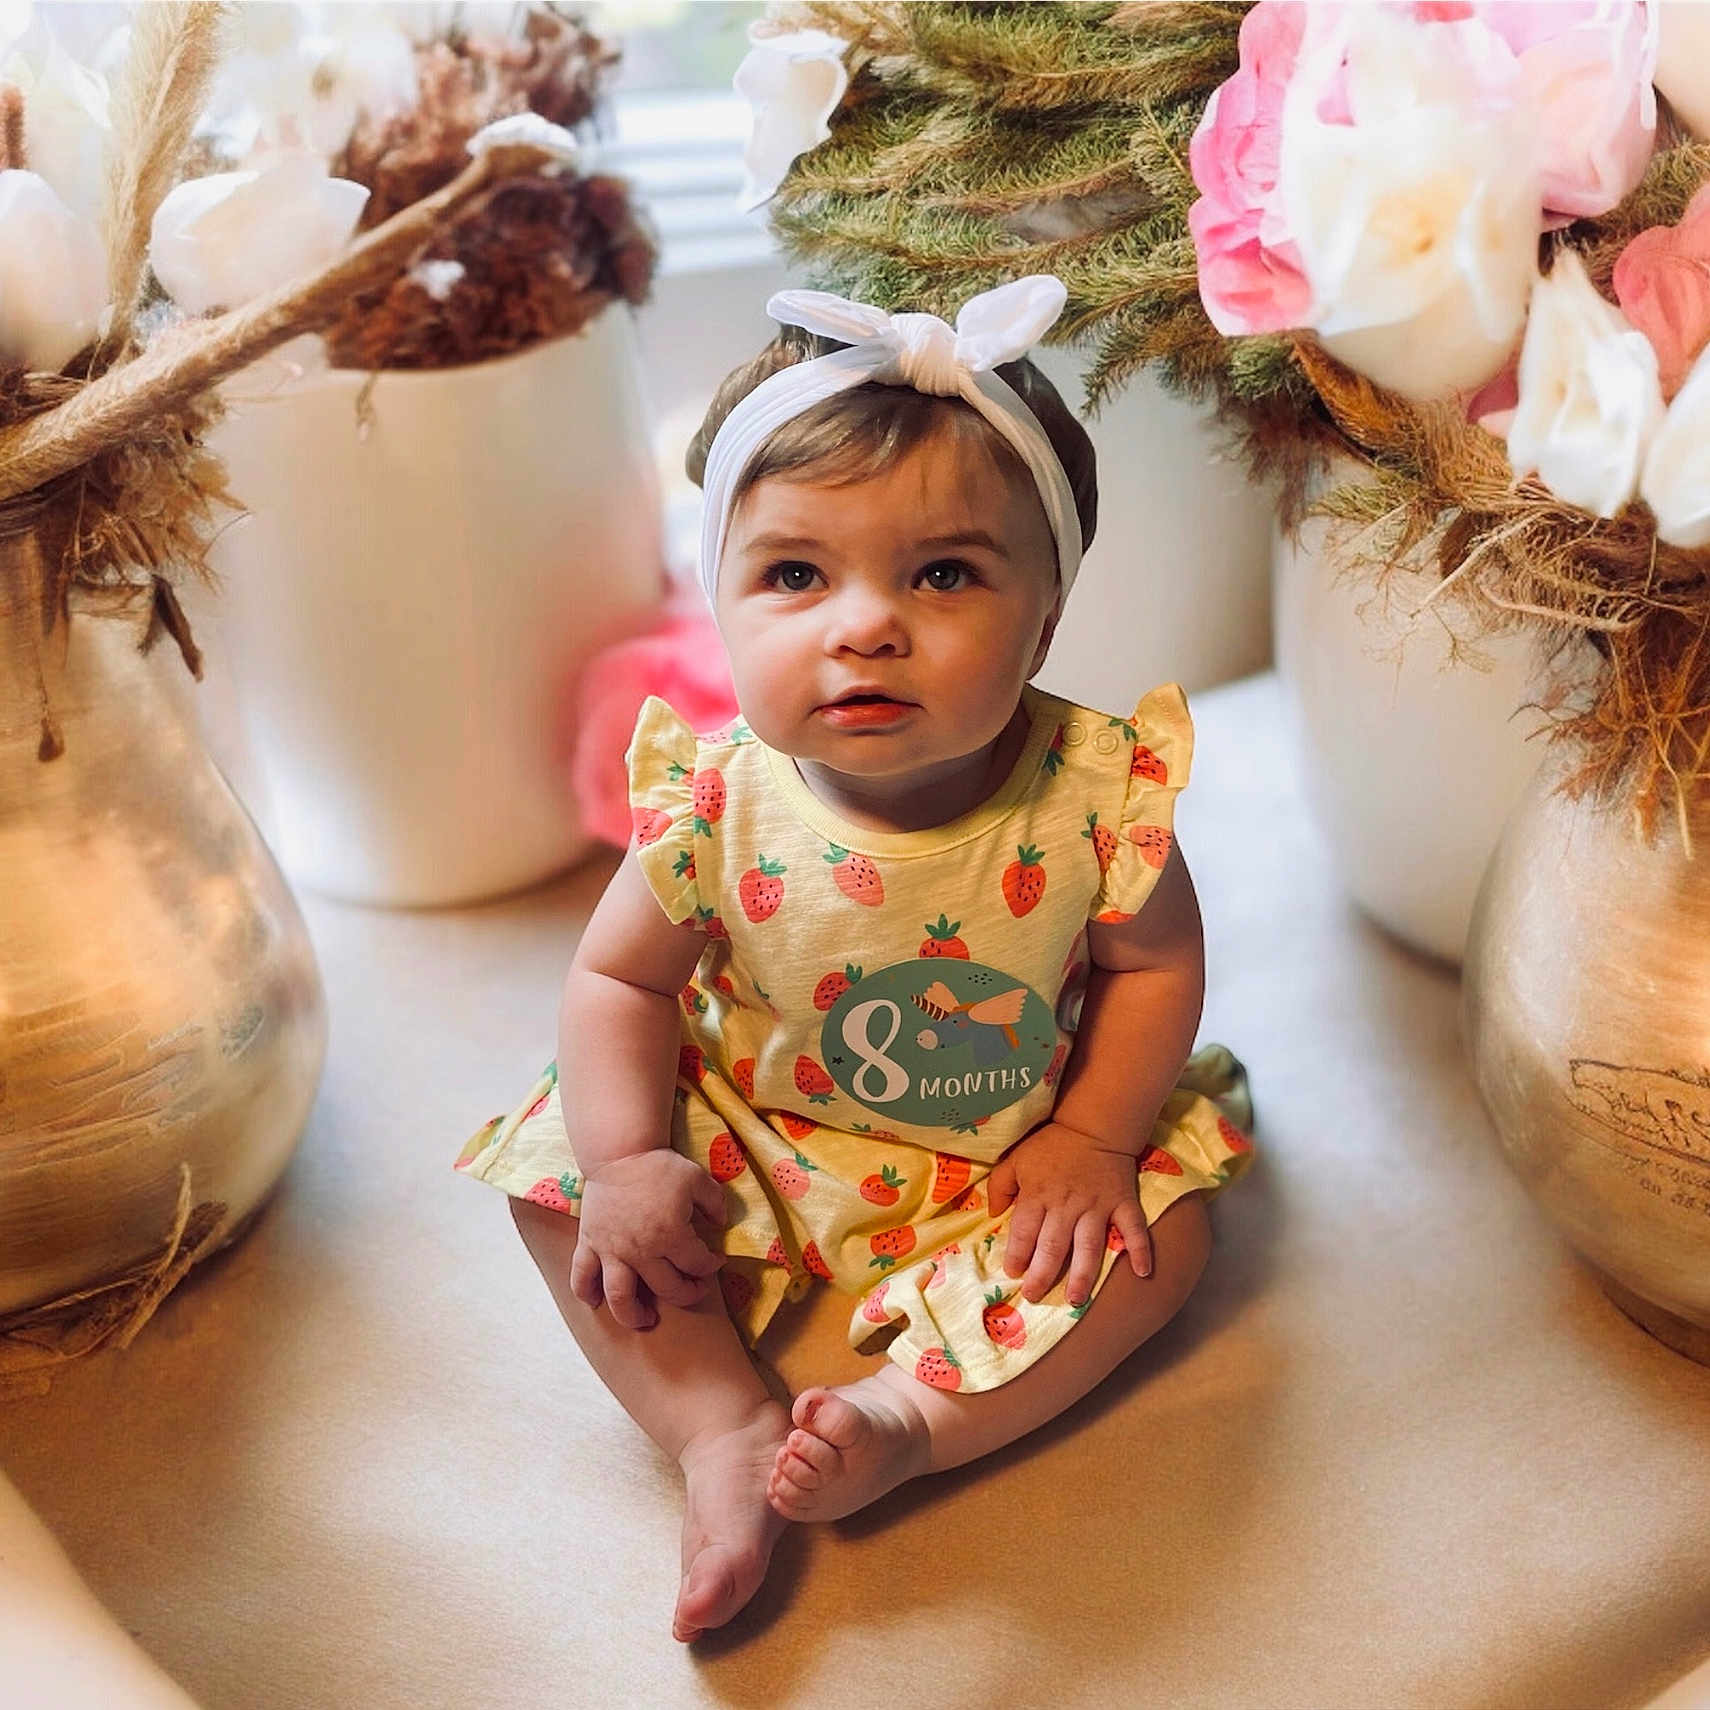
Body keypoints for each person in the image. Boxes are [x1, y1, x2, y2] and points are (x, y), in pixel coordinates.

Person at [456, 274, 1255, 1643]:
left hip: (1011, 1148)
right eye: (793, 574)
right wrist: (629, 1156)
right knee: (553, 1179)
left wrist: (1094, 1134)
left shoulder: (1091, 797)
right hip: (763, 1124)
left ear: (1045, 616)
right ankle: (713, 1420)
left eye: (941, 572)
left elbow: (1153, 967)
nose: (864, 623)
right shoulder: (717, 805)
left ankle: (913, 1420)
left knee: (1160, 1235)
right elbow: (617, 983)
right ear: (717, 599)